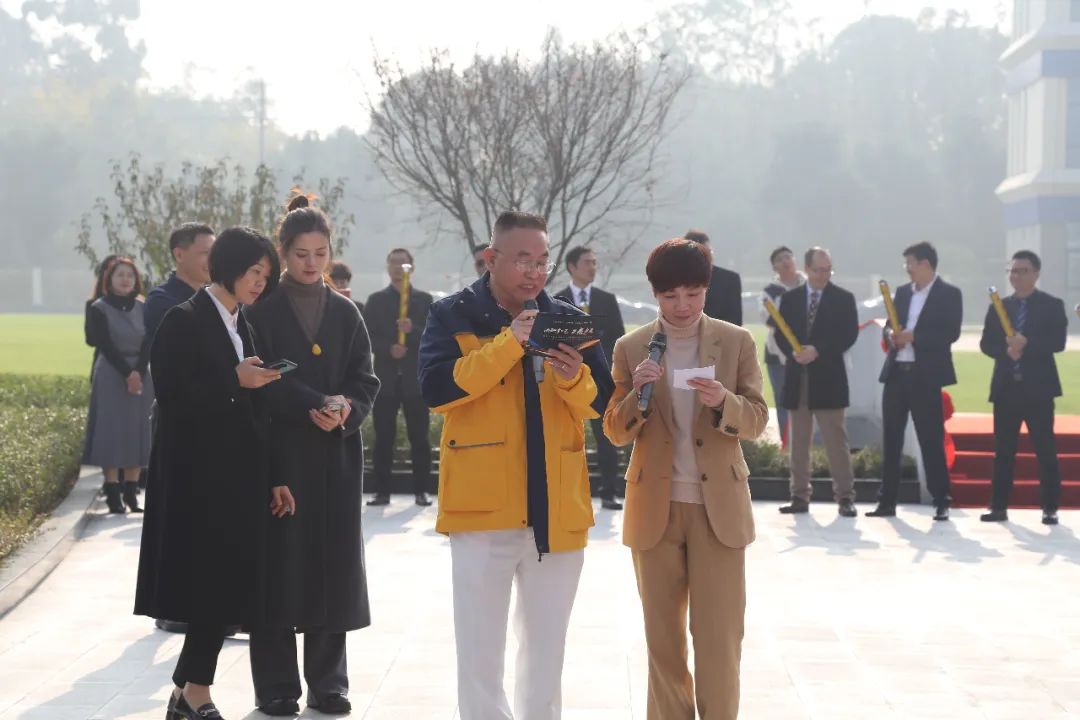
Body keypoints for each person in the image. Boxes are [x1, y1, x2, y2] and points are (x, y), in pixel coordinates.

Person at [418, 210, 614, 719]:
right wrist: (510, 344)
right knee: (480, 653)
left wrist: (572, 378)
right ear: (491, 258)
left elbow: (603, 402)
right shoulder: (451, 314)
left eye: (543, 261)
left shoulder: (567, 318)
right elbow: (437, 390)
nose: (535, 272)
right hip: (482, 510)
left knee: (547, 652)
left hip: (557, 507)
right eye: (523, 260)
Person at [603, 237, 768, 720]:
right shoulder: (631, 347)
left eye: (693, 294)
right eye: (670, 295)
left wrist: (724, 402)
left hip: (719, 512)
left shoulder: (736, 342)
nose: (682, 305)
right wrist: (636, 395)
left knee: (720, 639)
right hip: (654, 510)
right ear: (655, 294)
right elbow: (614, 430)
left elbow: (757, 419)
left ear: (706, 289)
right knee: (663, 643)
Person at [133, 226, 289, 720]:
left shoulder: (244, 323)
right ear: (229, 266)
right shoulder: (182, 320)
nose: (260, 282)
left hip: (240, 477)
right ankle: (195, 691)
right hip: (197, 479)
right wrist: (233, 379)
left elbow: (259, 410)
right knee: (211, 589)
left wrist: (276, 475)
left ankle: (187, 691)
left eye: (266, 274)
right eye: (254, 271)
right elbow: (173, 398)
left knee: (224, 588)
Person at [246, 194, 380, 718]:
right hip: (280, 457)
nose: (311, 263)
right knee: (277, 568)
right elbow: (260, 378)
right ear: (282, 252)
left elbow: (365, 379)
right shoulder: (260, 311)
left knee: (332, 564)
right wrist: (314, 402)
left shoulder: (346, 312)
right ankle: (276, 686)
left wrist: (345, 408)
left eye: (320, 253)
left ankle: (329, 683)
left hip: (335, 456)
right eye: (301, 254)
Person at [868, 242, 962, 521]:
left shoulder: (949, 294)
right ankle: (887, 501)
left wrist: (914, 336)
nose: (907, 269)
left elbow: (950, 332)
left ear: (925, 264)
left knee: (930, 438)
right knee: (892, 438)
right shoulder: (902, 292)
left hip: (926, 375)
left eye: (910, 263)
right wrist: (891, 335)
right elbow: (890, 325)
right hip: (897, 373)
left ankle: (941, 499)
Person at [979, 250, 1068, 525]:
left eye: (1023, 271)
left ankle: (1050, 507)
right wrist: (1006, 351)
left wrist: (1026, 343)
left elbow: (1057, 342)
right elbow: (986, 343)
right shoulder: (999, 306)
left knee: (1045, 450)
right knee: (1003, 452)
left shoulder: (1052, 305)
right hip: (1007, 388)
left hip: (1038, 390)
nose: (1016, 276)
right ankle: (998, 507)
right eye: (1013, 271)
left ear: (1036, 274)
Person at [772, 248, 859, 516]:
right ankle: (799, 496)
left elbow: (848, 334)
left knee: (836, 441)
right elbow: (780, 333)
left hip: (829, 378)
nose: (824, 275)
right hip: (798, 378)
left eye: (828, 269)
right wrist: (794, 352)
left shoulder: (843, 298)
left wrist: (818, 350)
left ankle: (845, 497)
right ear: (807, 269)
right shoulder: (790, 299)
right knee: (798, 442)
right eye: (819, 270)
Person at [555, 245, 627, 510]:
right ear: (572, 267)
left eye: (595, 263)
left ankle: (609, 492)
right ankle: (563, 491)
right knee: (565, 436)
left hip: (600, 380)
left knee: (605, 435)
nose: (592, 267)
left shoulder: (606, 300)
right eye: (587, 262)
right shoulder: (557, 300)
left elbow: (619, 339)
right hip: (565, 379)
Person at [82, 257, 154, 514]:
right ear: (109, 279)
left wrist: (138, 372)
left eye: (130, 275)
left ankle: (132, 492)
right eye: (120, 275)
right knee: (111, 430)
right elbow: (104, 343)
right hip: (112, 371)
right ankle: (113, 491)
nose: (125, 280)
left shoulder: (143, 306)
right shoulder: (98, 308)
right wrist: (127, 373)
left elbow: (149, 340)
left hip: (140, 371)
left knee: (138, 429)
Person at [364, 248, 434, 507]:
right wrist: (387, 348)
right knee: (383, 437)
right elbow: (367, 336)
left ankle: (422, 490)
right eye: (393, 262)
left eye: (402, 263)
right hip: (386, 379)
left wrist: (412, 331)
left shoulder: (424, 300)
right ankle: (382, 492)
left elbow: (433, 336)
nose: (397, 267)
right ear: (387, 266)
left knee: (419, 437)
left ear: (411, 267)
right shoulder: (376, 301)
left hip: (414, 379)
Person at [758, 246, 805, 446]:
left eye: (788, 257)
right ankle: (787, 444)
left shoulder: (810, 284)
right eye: (779, 259)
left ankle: (809, 444)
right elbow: (769, 319)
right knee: (784, 400)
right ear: (774, 268)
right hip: (778, 354)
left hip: (809, 352)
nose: (785, 261)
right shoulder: (770, 292)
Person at [143, 223, 215, 347]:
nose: (213, 260)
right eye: (205, 253)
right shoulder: (160, 301)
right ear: (179, 255)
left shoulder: (216, 297)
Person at [685, 229, 742, 326]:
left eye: (708, 251)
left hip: (722, 333)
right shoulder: (676, 279)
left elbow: (736, 319)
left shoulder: (730, 279)